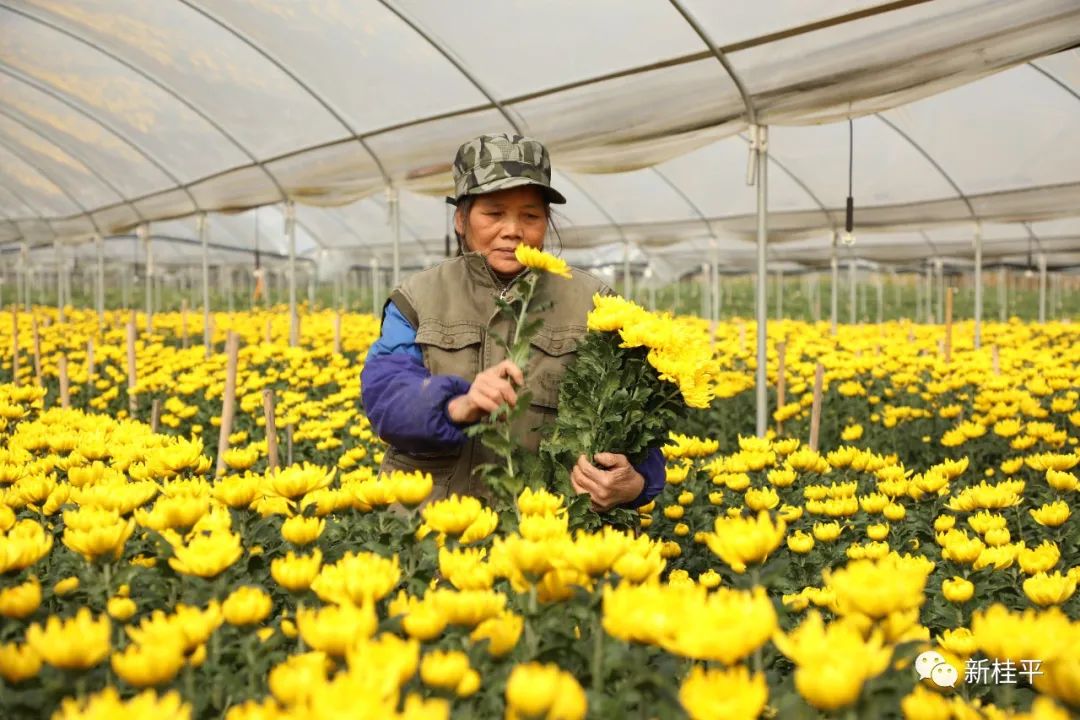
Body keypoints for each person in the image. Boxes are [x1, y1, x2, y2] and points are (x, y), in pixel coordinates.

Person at [360, 133, 665, 512]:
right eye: (494, 213)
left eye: (530, 216)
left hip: (546, 532)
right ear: (461, 218)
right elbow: (386, 397)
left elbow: (635, 416)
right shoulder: (418, 297)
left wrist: (638, 482)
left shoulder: (596, 303)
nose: (513, 230)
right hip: (434, 527)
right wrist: (457, 403)